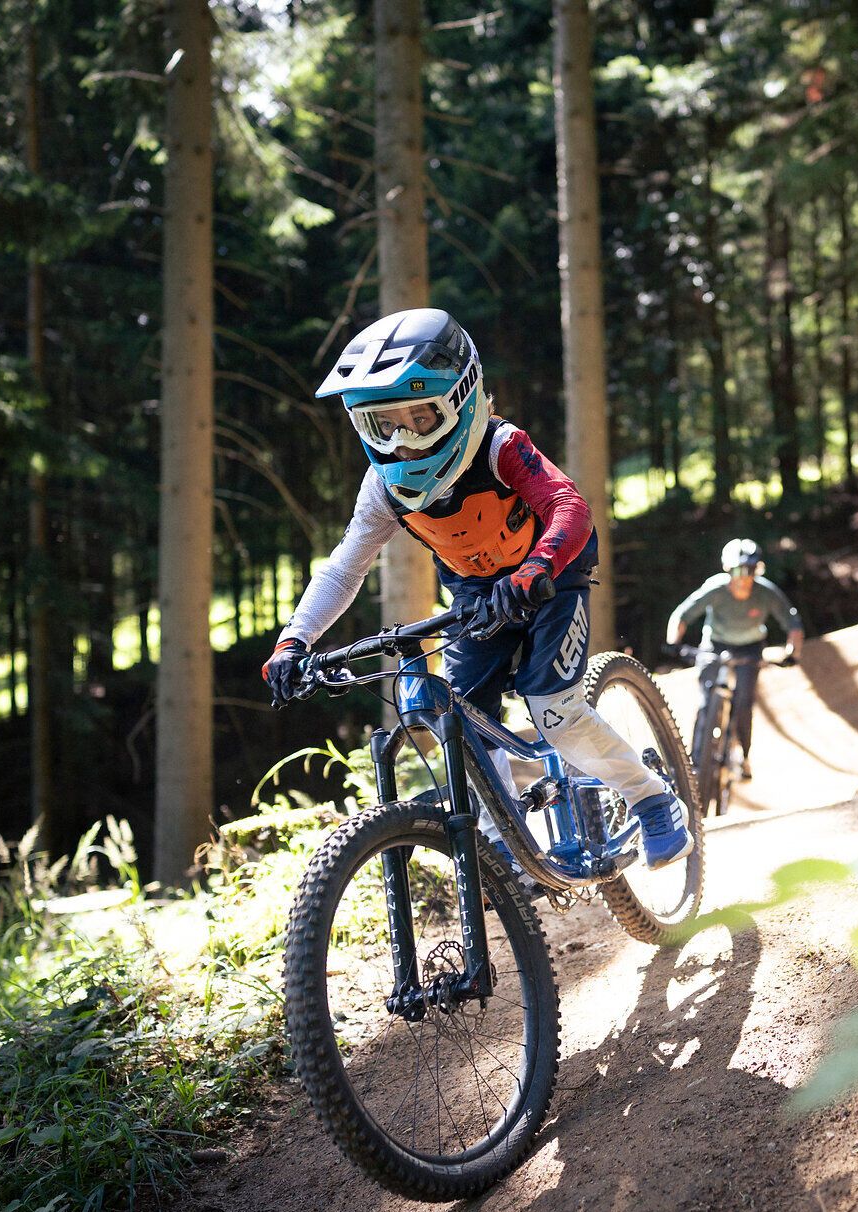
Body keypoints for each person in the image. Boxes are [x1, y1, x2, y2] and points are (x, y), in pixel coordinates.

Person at [261, 308, 694, 867]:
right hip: (475, 596)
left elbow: (569, 507)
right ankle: (505, 847)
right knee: (464, 721)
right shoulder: (382, 488)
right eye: (382, 423)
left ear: (461, 400)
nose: (402, 440)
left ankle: (652, 799)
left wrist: (536, 569)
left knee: (554, 710)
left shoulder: (498, 445)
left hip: (551, 575)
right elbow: (345, 568)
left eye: (419, 417)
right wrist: (294, 641)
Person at [665, 538, 804, 781]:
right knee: (706, 701)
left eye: (749, 570)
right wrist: (673, 643)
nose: (743, 577)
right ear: (727, 570)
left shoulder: (766, 592)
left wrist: (793, 653)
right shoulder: (715, 588)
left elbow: (793, 623)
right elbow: (682, 614)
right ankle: (696, 764)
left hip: (750, 647)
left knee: (744, 702)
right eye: (737, 571)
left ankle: (744, 756)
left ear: (757, 570)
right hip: (715, 644)